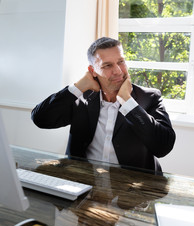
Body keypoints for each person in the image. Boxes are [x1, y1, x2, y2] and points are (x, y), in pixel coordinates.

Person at [31, 37, 175, 172]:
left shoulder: (149, 97)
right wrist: (78, 87)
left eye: (121, 62)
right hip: (85, 182)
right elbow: (41, 119)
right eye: (107, 65)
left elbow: (163, 147)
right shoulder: (81, 97)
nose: (118, 71)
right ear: (92, 71)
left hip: (132, 188)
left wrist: (127, 102)